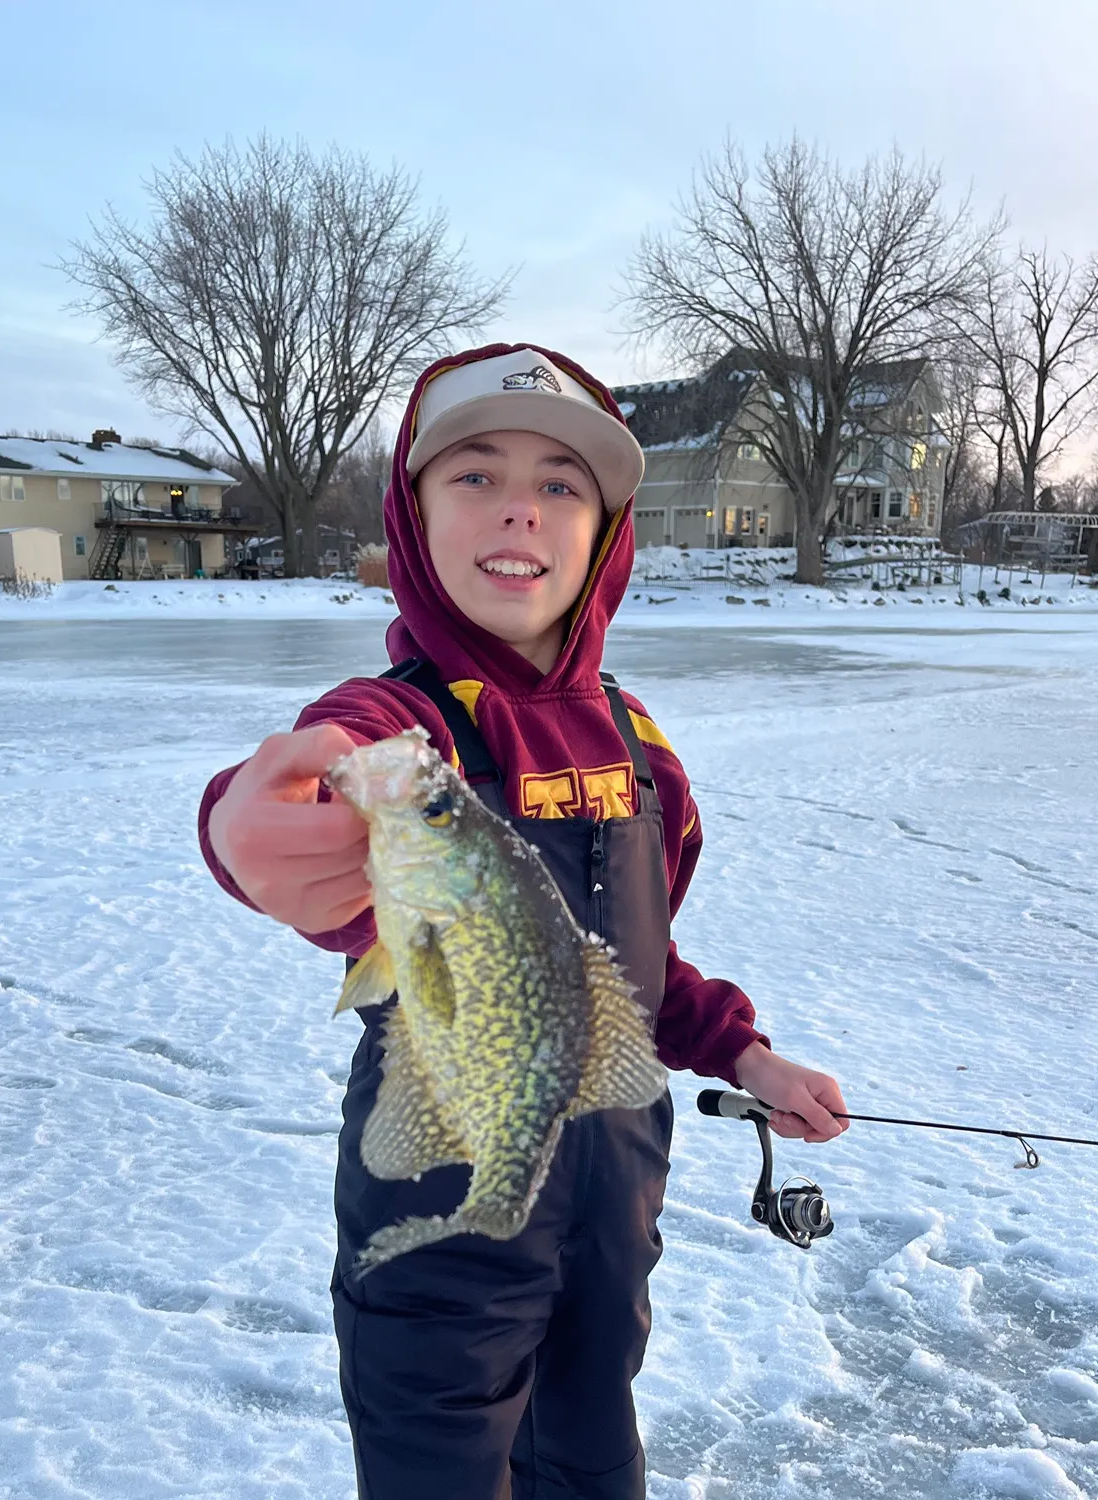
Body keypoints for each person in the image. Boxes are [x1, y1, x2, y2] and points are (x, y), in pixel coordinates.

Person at [198, 343, 848, 1499]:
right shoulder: (402, 725)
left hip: (610, 1236)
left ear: (606, 530)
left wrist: (747, 1054)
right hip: (441, 1242)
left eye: (560, 482)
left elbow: (633, 972)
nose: (520, 510)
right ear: (414, 516)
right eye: (475, 475)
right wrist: (245, 830)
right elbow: (317, 774)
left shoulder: (642, 748)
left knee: (597, 1474)